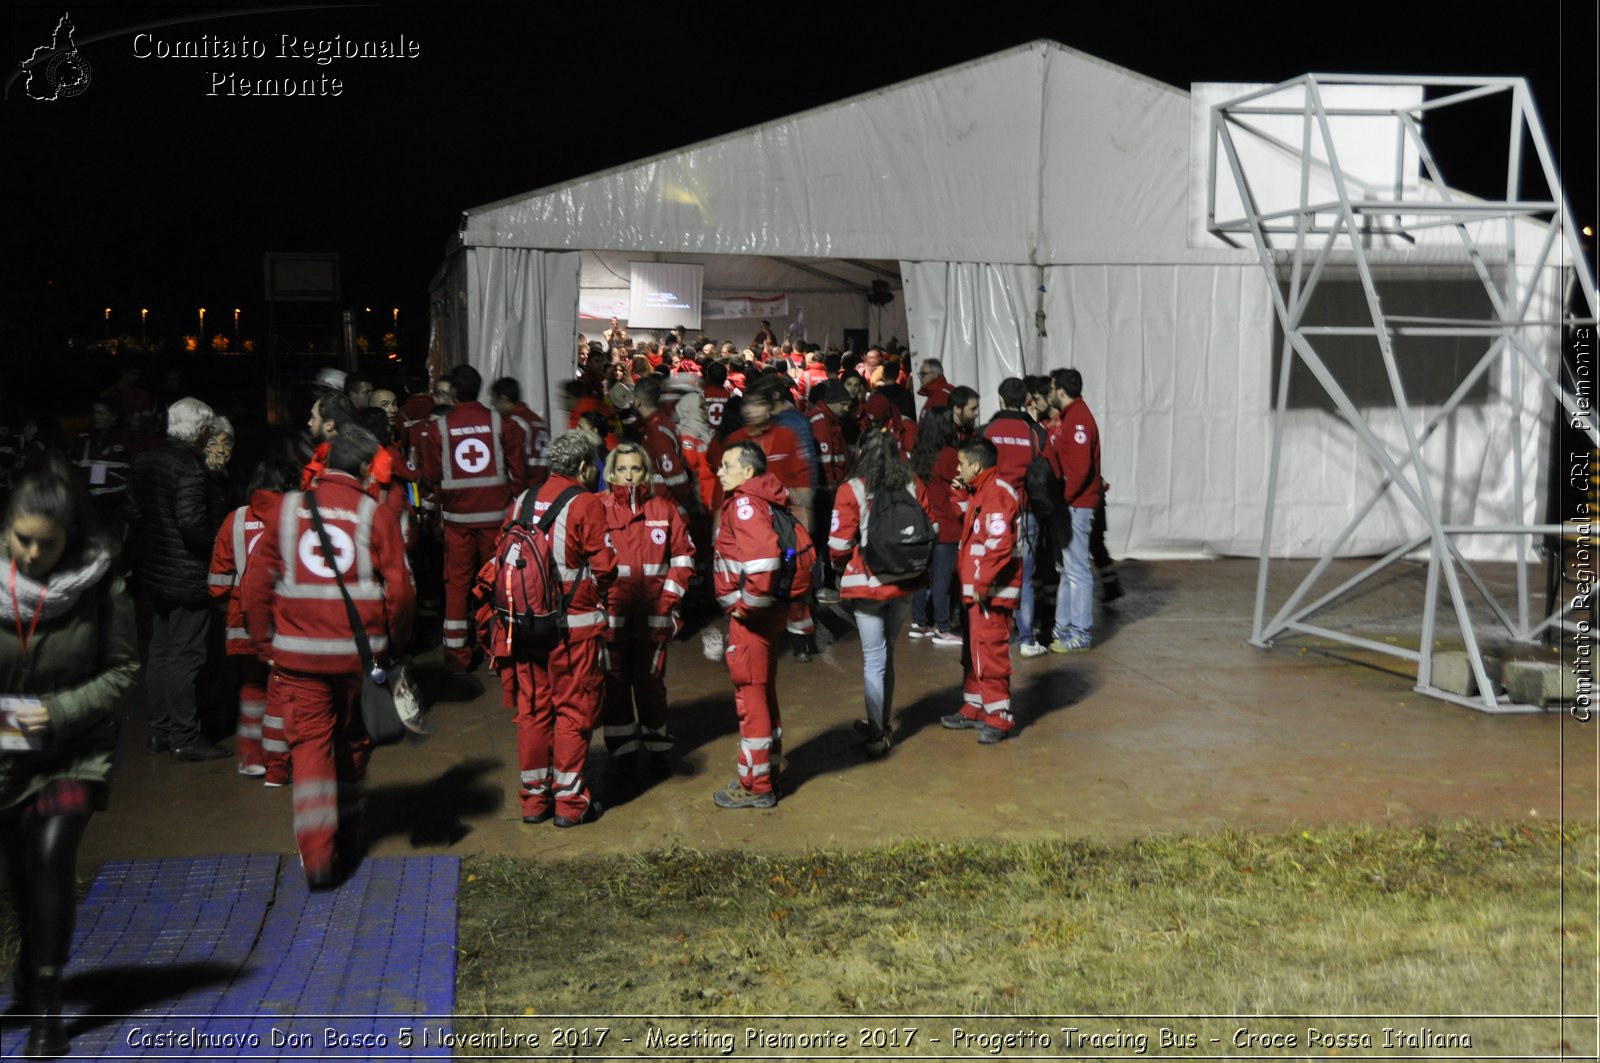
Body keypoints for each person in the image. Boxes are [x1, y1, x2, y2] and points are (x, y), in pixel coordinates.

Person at [0, 467, 137, 1057]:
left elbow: (126, 671)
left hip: (76, 748)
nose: (31, 554)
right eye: (20, 539)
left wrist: (57, 710)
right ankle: (33, 961)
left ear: (70, 539)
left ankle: (48, 1013)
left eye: (46, 543)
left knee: (53, 856)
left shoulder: (103, 585)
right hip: (6, 755)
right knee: (20, 873)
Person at [240, 428, 414, 888]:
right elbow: (400, 589)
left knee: (311, 749)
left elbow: (255, 586)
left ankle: (318, 858)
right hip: (359, 657)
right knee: (354, 740)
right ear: (362, 469)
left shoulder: (286, 510)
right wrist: (393, 643)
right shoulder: (374, 515)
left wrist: (264, 646)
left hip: (297, 659)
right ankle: (351, 832)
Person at [499, 431, 615, 827]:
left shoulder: (521, 501)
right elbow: (605, 567)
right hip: (573, 631)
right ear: (584, 467)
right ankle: (570, 804)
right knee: (573, 712)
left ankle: (534, 801)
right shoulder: (586, 503)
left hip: (525, 627)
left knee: (532, 711)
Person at [125, 396, 228, 761]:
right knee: (186, 656)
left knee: (161, 653)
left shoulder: (146, 460)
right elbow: (191, 523)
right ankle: (185, 736)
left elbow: (135, 512)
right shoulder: (190, 466)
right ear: (200, 429)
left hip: (155, 570)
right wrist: (219, 541)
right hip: (188, 573)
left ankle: (159, 730)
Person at [711, 440, 812, 809]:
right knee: (762, 690)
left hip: (753, 620)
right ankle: (767, 769)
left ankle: (755, 786)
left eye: (726, 465)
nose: (719, 471)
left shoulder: (744, 505)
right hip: (769, 613)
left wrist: (745, 607)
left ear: (748, 472)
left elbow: (764, 561)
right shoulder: (765, 499)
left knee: (750, 698)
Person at [829, 429, 935, 757]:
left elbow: (837, 545)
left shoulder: (852, 488)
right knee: (887, 654)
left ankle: (877, 730)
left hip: (866, 582)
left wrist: (841, 566)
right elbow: (933, 529)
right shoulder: (913, 483)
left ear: (861, 453)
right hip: (905, 582)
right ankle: (880, 721)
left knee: (874, 657)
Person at [418, 364, 526, 672]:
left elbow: (431, 475)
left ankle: (457, 656)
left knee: (457, 586)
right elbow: (518, 474)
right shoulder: (500, 422)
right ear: (479, 389)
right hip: (496, 520)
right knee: (496, 583)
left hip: (457, 522)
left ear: (452, 392)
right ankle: (498, 650)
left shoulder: (438, 428)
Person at [598, 443, 693, 778]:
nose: (628, 475)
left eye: (635, 469)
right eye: (622, 469)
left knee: (651, 684)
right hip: (611, 618)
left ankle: (656, 749)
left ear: (646, 473)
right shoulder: (597, 509)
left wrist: (667, 601)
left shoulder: (664, 510)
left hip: (655, 616)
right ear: (610, 473)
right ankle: (623, 751)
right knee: (615, 684)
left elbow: (683, 560)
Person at [209, 458, 297, 787]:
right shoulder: (295, 517)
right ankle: (279, 759)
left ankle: (250, 757)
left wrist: (231, 607)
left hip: (241, 619)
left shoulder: (236, 519)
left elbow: (217, 580)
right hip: (285, 620)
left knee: (252, 687)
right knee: (282, 689)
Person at [942, 437, 1022, 743]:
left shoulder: (997, 494)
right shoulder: (983, 491)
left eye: (962, 464)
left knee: (990, 649)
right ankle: (976, 705)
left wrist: (983, 583)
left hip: (990, 590)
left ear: (976, 465)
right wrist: (959, 490)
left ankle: (998, 716)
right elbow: (969, 522)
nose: (958, 468)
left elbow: (1000, 544)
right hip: (978, 588)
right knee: (975, 648)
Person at [981, 378, 1049, 656]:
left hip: (993, 513)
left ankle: (992, 634)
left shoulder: (987, 431)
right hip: (1026, 512)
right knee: (1025, 576)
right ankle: (1026, 639)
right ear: (1026, 401)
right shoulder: (1035, 433)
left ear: (999, 399)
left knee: (991, 569)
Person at [1045, 368, 1103, 652]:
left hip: (1075, 506)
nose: (1050, 392)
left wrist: (1063, 499)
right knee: (1067, 569)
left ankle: (1080, 632)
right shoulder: (1068, 419)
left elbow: (1079, 471)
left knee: (1077, 570)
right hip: (1070, 504)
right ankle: (1064, 627)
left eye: (1052, 387)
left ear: (1061, 391)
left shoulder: (1078, 421)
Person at [908, 407, 964, 646]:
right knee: (943, 578)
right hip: (947, 523)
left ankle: (919, 622)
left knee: (922, 576)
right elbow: (960, 484)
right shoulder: (949, 454)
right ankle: (942, 627)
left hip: (924, 522)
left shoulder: (919, 454)